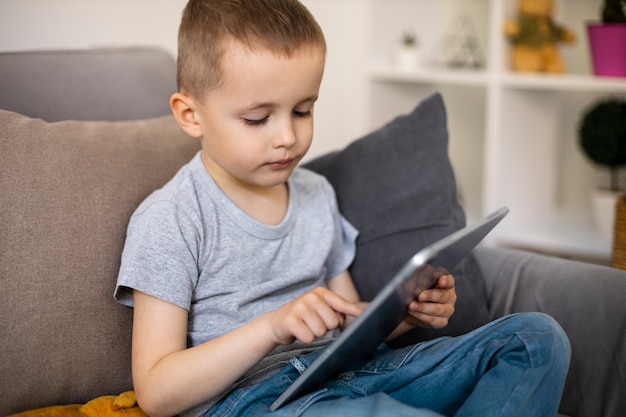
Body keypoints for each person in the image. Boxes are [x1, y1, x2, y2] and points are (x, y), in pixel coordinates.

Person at [115, 1, 571, 416]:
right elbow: (156, 391)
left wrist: (406, 313)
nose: (287, 137)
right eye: (257, 119)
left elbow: (350, 331)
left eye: (303, 111)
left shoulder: (316, 193)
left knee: (535, 339)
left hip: (348, 376)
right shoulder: (171, 219)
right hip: (254, 402)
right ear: (190, 115)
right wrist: (272, 327)